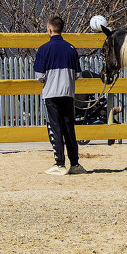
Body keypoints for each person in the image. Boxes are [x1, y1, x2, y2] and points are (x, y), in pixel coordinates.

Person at [34, 16, 84, 175]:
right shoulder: (71, 48)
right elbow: (78, 74)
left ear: (49, 29)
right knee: (70, 128)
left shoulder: (43, 49)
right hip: (68, 93)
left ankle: (59, 163)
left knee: (55, 128)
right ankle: (75, 164)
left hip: (51, 94)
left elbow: (39, 76)